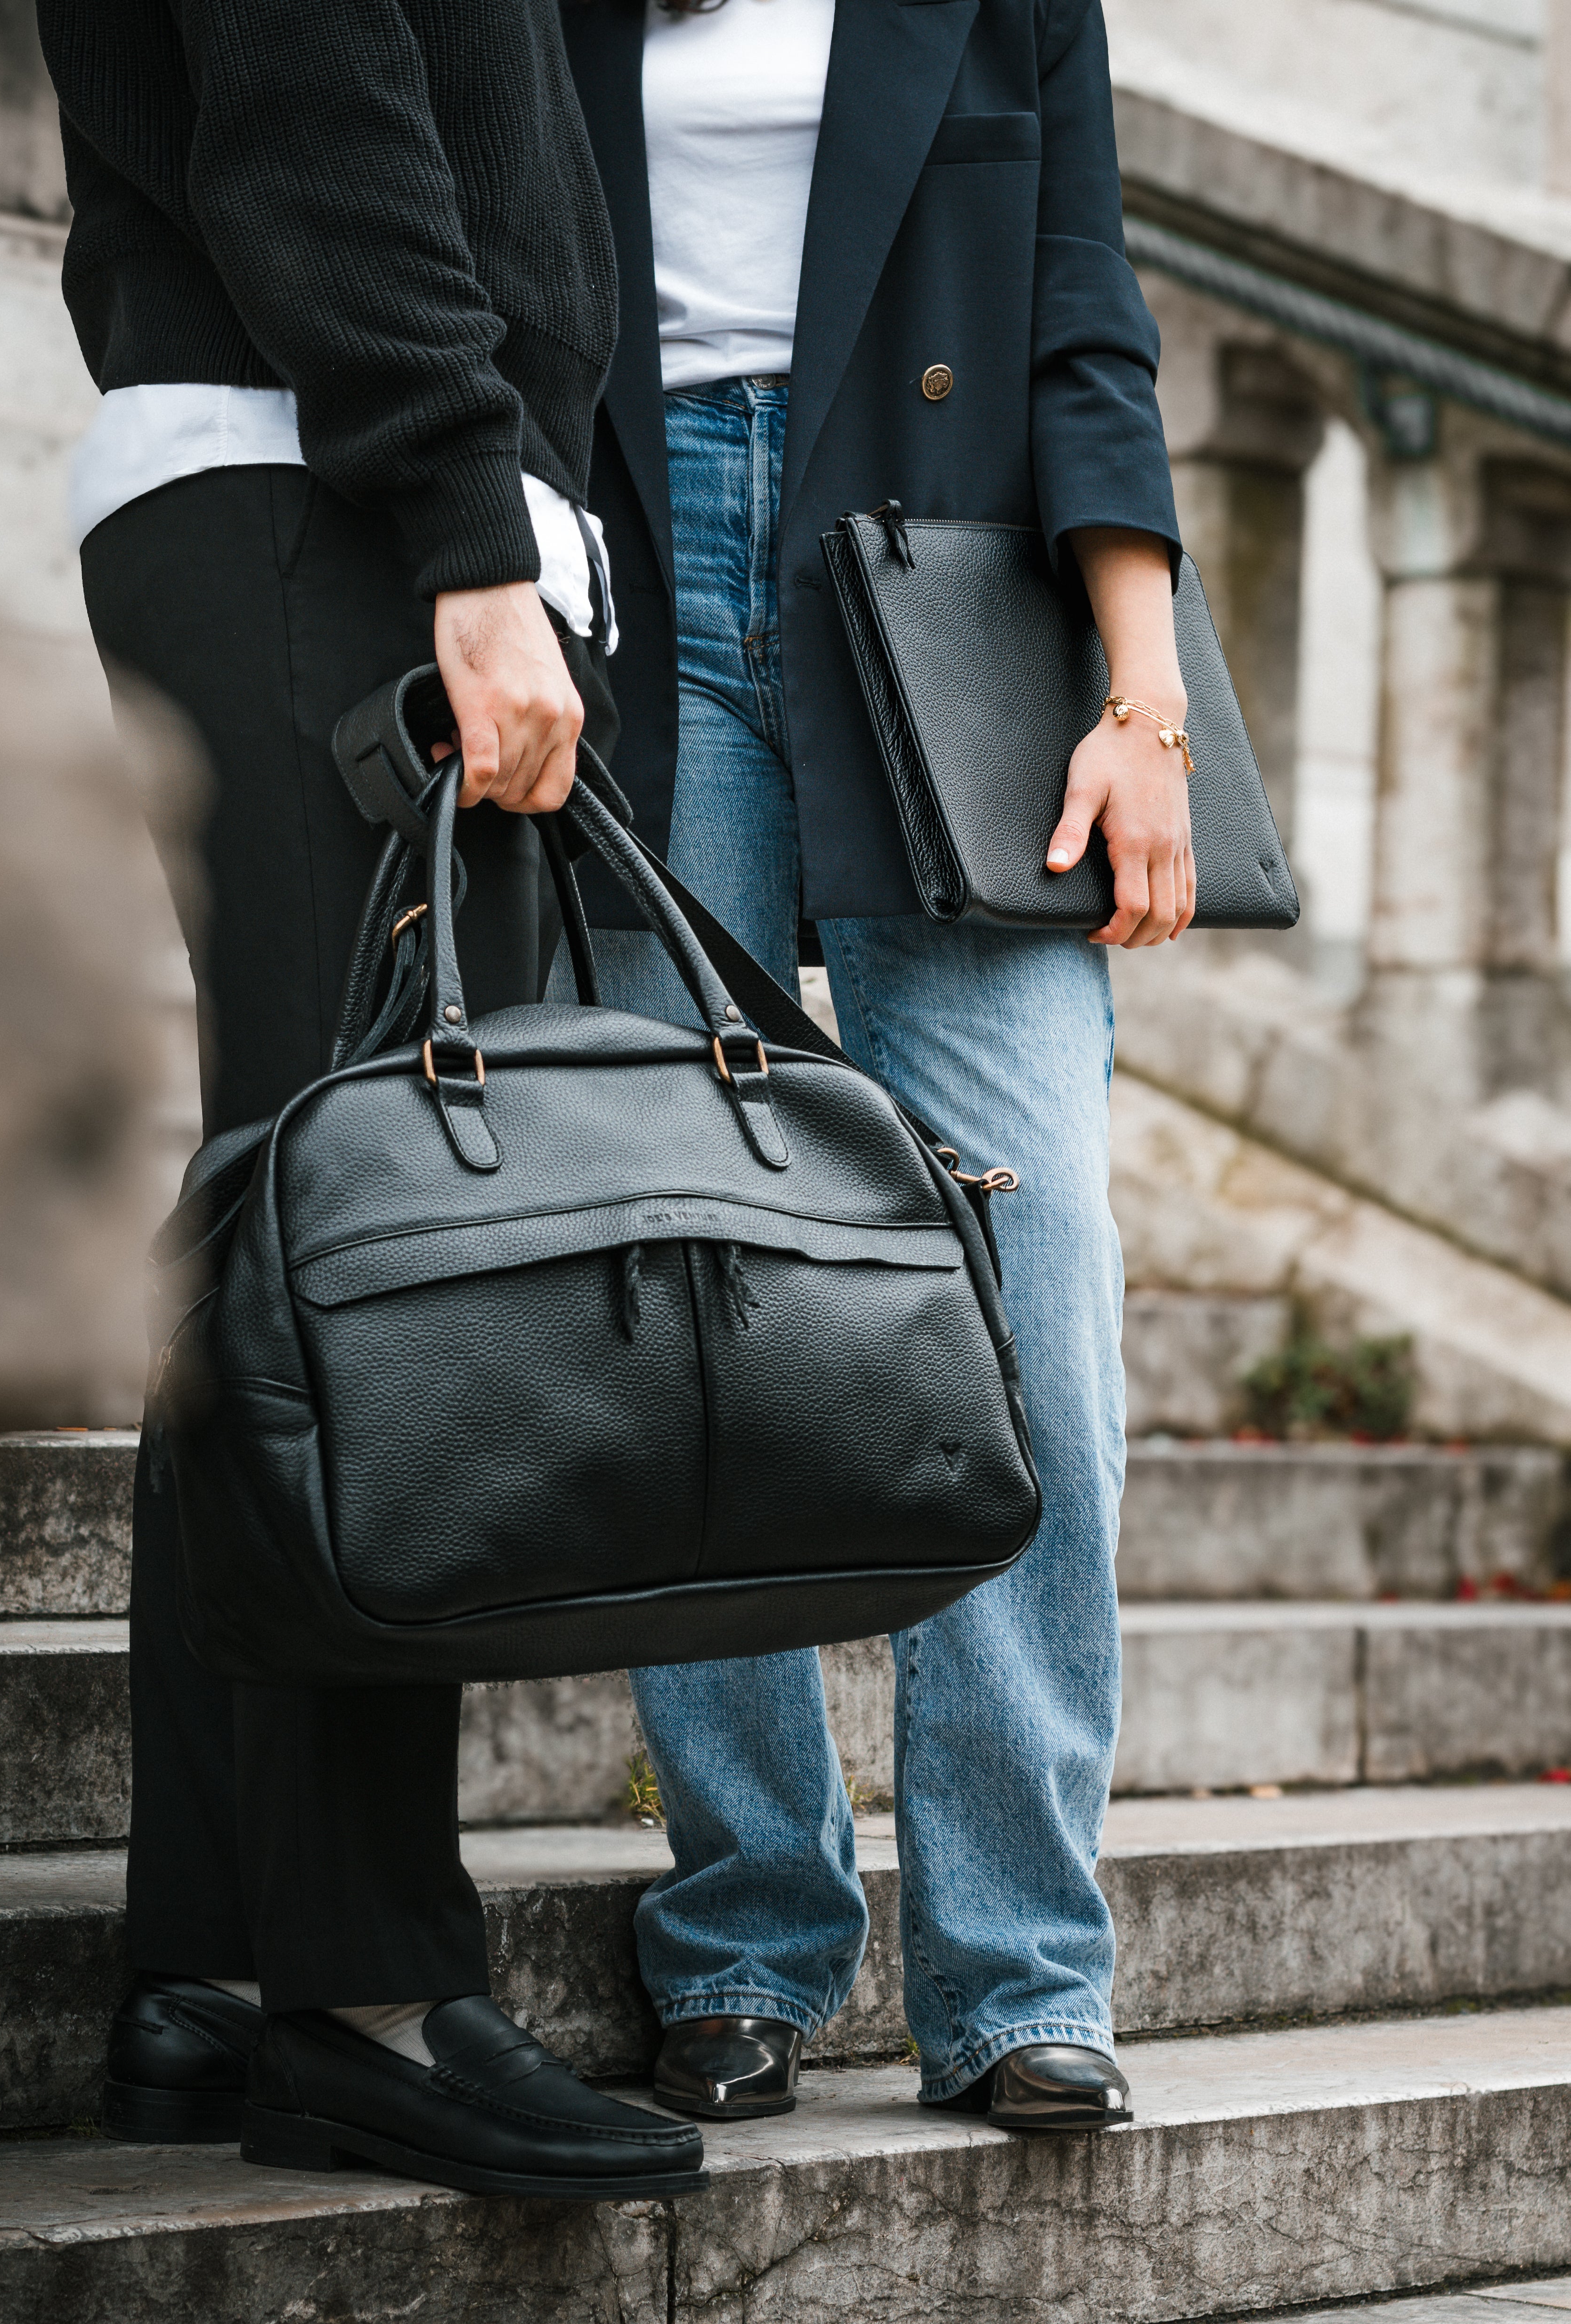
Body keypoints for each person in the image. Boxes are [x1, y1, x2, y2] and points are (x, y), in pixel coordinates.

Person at [33, 0, 706, 2198]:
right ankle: (367, 1990)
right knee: (384, 1246)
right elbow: (317, 92)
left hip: (316, 472)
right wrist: (458, 506)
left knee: (300, 1213)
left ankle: (220, 1960)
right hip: (337, 483)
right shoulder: (387, 473)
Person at [558, 0, 1192, 2131]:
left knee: (1039, 1290)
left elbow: (1083, 323)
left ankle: (1020, 1970)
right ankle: (743, 1929)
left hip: (941, 614)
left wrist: (1144, 702)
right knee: (687, 1295)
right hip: (637, 616)